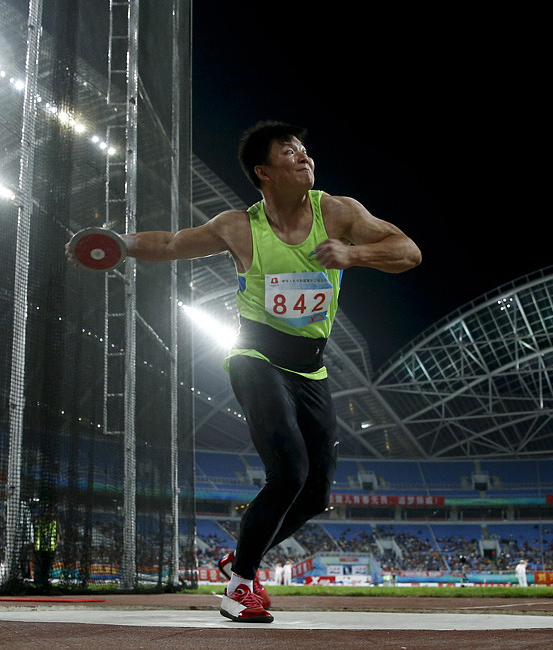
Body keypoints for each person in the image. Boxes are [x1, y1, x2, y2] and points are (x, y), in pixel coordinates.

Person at [68, 121, 421, 622]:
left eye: (305, 149)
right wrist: (118, 244)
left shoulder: (338, 212)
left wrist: (354, 253)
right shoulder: (238, 226)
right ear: (264, 171)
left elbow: (410, 252)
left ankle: (243, 557)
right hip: (255, 355)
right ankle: (239, 587)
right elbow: (171, 244)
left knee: (317, 493)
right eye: (289, 152)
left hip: (311, 369)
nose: (305, 157)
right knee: (289, 471)